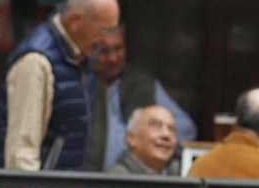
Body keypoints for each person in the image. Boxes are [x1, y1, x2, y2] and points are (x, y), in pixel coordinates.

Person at [0, 0, 121, 188]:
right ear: (75, 21)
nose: (106, 40)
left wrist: (79, 185)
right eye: (104, 30)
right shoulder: (36, 61)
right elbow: (21, 152)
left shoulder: (79, 56)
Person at [83, 25, 197, 172]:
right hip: (85, 183)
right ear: (89, 51)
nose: (112, 58)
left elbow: (186, 129)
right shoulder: (80, 84)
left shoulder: (142, 83)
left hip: (134, 179)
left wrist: (152, 134)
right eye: (104, 51)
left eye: (118, 49)